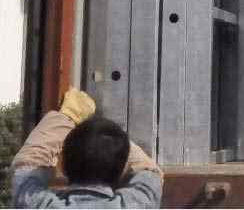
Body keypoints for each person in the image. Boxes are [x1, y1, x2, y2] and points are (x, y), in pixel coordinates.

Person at [11, 87, 163, 208]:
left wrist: (68, 116)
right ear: (122, 171)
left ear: (62, 165)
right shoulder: (134, 205)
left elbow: (27, 165)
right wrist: (111, 142)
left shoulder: (40, 205)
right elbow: (149, 172)